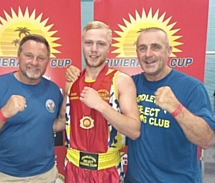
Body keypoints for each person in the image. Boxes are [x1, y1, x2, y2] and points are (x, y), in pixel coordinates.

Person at [66, 27, 215, 183]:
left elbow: (206, 140)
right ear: (137, 53)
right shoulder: (131, 83)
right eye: (142, 48)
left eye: (156, 47)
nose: (148, 54)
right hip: (135, 179)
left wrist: (176, 109)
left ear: (169, 50)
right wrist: (73, 74)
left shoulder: (191, 87)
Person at [55, 21, 141, 183]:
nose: (94, 49)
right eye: (89, 43)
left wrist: (101, 105)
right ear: (82, 44)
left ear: (109, 47)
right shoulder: (71, 81)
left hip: (107, 171)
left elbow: (134, 131)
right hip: (73, 169)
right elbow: (61, 122)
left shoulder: (121, 81)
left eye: (100, 44)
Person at [0, 34, 63, 183]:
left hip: (45, 175)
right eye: (29, 55)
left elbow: (57, 124)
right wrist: (4, 113)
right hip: (3, 176)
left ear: (47, 61)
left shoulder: (53, 90)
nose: (34, 62)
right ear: (18, 56)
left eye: (41, 58)